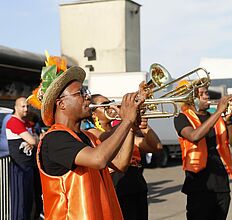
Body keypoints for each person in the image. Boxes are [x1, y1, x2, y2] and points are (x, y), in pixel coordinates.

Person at [30, 54, 145, 219]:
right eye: (80, 93)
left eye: (86, 91)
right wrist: (126, 120)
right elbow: (99, 159)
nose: (87, 96)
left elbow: (120, 164)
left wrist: (131, 129)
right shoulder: (54, 139)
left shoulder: (88, 137)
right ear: (61, 103)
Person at [87, 93, 162, 220]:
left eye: (110, 102)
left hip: (137, 186)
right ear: (93, 114)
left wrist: (142, 125)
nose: (110, 107)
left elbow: (156, 147)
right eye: (104, 105)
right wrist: (128, 120)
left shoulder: (124, 130)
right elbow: (110, 137)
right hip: (117, 188)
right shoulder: (93, 133)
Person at [173, 84, 232, 220]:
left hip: (221, 185)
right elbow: (194, 136)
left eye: (207, 93)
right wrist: (218, 112)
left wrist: (229, 121)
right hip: (198, 186)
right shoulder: (181, 117)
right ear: (191, 99)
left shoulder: (217, 118)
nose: (206, 96)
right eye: (202, 94)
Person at [6, 97, 39, 220]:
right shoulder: (13, 122)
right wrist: (33, 140)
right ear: (16, 107)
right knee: (20, 203)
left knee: (28, 202)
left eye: (27, 106)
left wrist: (34, 140)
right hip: (19, 168)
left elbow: (36, 138)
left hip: (28, 166)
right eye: (23, 106)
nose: (26, 109)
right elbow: (33, 140)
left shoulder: (25, 122)